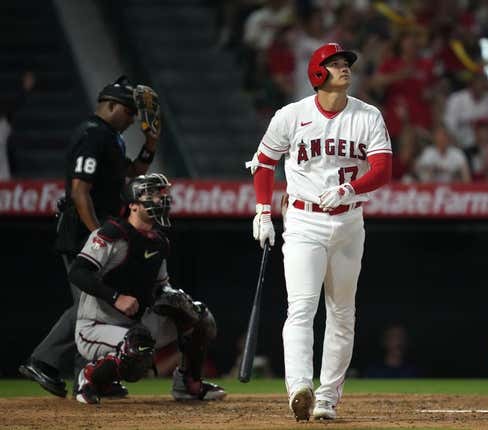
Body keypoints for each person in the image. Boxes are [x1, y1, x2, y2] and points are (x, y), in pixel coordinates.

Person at [245, 42, 392, 421]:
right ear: (317, 72)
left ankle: (326, 398)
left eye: (346, 64)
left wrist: (350, 189)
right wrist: (263, 212)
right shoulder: (291, 116)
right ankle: (299, 388)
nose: (345, 69)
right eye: (336, 64)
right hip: (304, 221)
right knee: (302, 308)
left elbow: (383, 169)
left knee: (342, 313)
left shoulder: (367, 115)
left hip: (348, 221)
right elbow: (263, 163)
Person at [19, 75, 160, 397]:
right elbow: (79, 191)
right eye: (127, 111)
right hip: (83, 233)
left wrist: (149, 147)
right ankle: (43, 361)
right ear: (110, 105)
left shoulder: (111, 137)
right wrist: (97, 234)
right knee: (87, 305)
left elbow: (129, 174)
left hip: (94, 230)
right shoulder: (92, 134)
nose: (132, 118)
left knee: (93, 307)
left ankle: (91, 376)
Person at [70, 173, 225, 404]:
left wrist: (174, 299)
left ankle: (188, 384)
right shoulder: (111, 234)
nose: (160, 199)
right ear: (133, 205)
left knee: (199, 317)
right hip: (97, 325)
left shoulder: (159, 243)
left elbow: (161, 287)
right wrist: (115, 297)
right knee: (137, 347)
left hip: (136, 324)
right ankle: (89, 378)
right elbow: (78, 272)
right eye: (152, 194)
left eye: (162, 194)